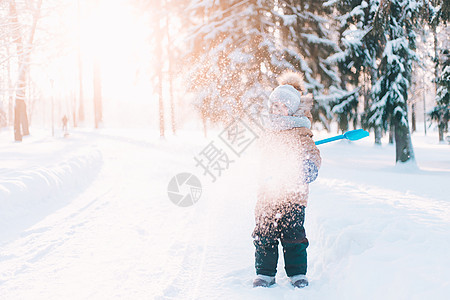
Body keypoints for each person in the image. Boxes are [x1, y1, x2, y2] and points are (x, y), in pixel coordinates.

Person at [252, 71, 321, 288]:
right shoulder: (267, 132)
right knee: (264, 234)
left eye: (281, 106)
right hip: (268, 193)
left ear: (291, 110)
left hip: (294, 194)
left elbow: (313, 155)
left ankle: (297, 273)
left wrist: (307, 167)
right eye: (274, 106)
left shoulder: (300, 132)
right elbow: (259, 157)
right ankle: (265, 273)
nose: (276, 110)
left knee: (294, 236)